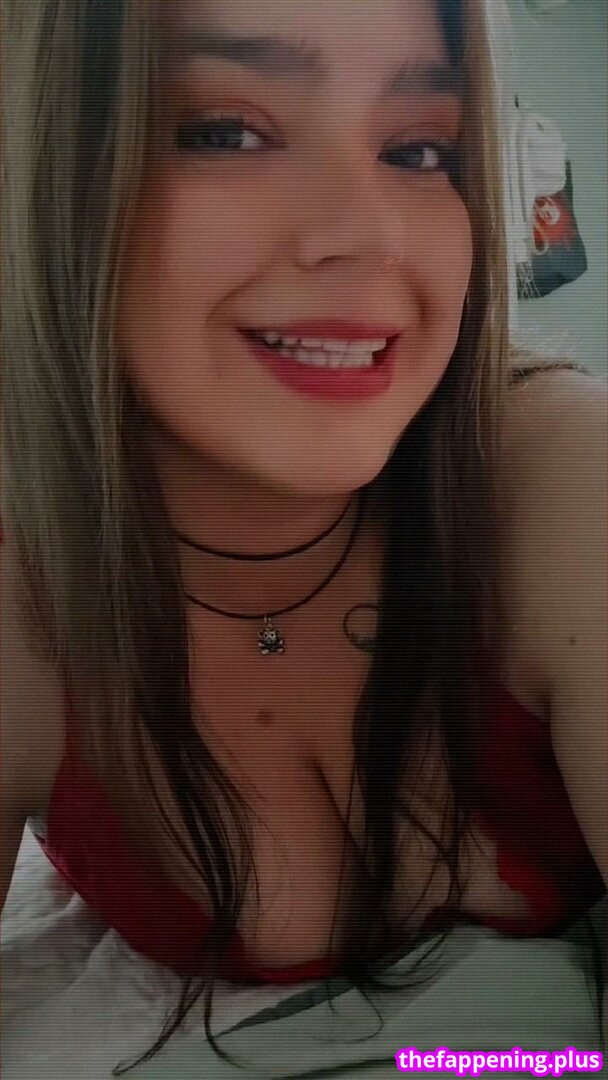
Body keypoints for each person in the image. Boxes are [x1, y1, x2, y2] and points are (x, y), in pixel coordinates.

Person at [1, 0, 606, 1072]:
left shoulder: (562, 478)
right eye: (223, 132)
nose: (368, 236)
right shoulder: (22, 582)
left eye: (419, 151)